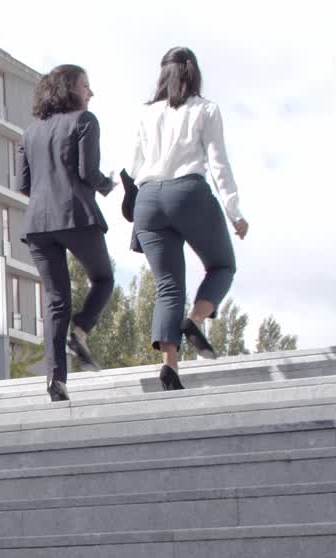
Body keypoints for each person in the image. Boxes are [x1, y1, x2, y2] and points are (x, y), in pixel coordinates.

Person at [128, 46, 249, 391]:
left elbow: (133, 166)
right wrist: (235, 213)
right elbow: (218, 164)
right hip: (188, 193)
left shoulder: (145, 114)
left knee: (168, 287)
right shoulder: (206, 110)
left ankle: (170, 366)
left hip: (148, 201)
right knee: (222, 265)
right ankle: (195, 320)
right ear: (194, 73)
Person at [17, 64, 115, 402]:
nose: (91, 92)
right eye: (86, 86)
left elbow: (24, 185)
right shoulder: (85, 121)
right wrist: (107, 184)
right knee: (103, 279)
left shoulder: (29, 132)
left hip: (38, 225)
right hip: (75, 215)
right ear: (70, 89)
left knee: (56, 301)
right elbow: (88, 172)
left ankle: (55, 379)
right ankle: (81, 330)